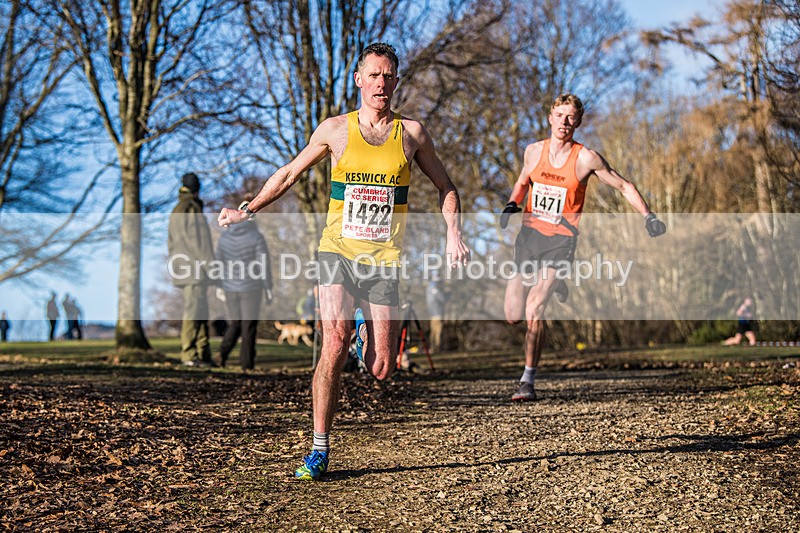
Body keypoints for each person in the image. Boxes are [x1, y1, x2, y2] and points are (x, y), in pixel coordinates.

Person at [218, 42, 470, 480]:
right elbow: (289, 173)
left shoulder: (411, 134)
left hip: (384, 261)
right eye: (373, 75)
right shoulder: (335, 130)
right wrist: (249, 209)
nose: (381, 83)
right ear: (358, 80)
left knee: (381, 367)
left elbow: (447, 187)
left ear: (396, 81)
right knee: (331, 341)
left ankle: (365, 337)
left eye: (388, 75)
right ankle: (318, 448)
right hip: (336, 251)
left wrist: (454, 233)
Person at [500, 93, 666, 402]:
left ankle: (527, 380)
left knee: (535, 306)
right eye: (559, 115)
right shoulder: (534, 151)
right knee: (512, 314)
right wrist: (512, 203)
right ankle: (558, 283)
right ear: (550, 118)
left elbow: (623, 185)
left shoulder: (587, 158)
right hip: (529, 238)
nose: (564, 122)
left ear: (578, 122)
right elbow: (524, 180)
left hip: (561, 241)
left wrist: (649, 216)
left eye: (570, 117)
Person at [214, 208, 273, 370]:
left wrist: (219, 285)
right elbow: (263, 264)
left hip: (230, 287)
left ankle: (222, 354)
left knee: (235, 323)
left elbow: (218, 261)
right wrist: (268, 287)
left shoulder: (224, 237)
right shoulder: (256, 236)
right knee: (248, 325)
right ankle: (247, 364)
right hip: (251, 287)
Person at [168, 172, 215, 367]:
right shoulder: (191, 209)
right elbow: (199, 242)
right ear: (196, 189)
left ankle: (203, 354)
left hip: (183, 266)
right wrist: (211, 266)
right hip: (194, 268)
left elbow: (171, 242)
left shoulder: (177, 209)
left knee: (200, 311)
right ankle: (188, 354)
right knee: (194, 312)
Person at [425, 270, 447, 354]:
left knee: (433, 332)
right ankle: (437, 349)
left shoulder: (429, 289)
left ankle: (432, 348)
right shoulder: (435, 289)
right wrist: (447, 294)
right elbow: (443, 299)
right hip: (437, 313)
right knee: (438, 332)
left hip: (432, 313)